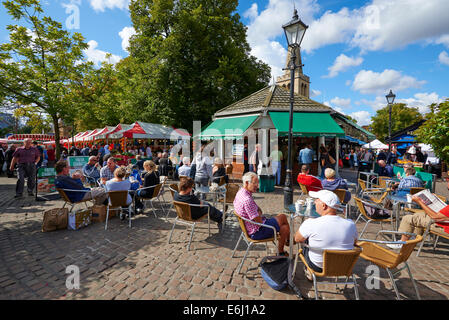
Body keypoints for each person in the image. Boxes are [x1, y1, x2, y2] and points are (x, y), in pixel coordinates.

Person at [294, 190, 358, 277]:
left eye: (317, 200)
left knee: (305, 239)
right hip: (343, 267)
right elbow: (354, 243)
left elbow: (297, 239)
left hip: (317, 266)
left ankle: (308, 271)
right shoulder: (350, 224)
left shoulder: (311, 223)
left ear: (324, 206)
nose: (315, 202)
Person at [234, 172, 290, 255]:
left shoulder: (240, 193)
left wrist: (258, 212)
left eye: (258, 182)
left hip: (249, 228)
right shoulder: (247, 200)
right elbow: (259, 221)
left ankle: (282, 250)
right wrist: (258, 213)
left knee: (284, 228)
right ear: (246, 183)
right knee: (283, 217)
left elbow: (258, 210)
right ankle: (289, 240)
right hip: (257, 232)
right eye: (255, 183)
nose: (257, 185)